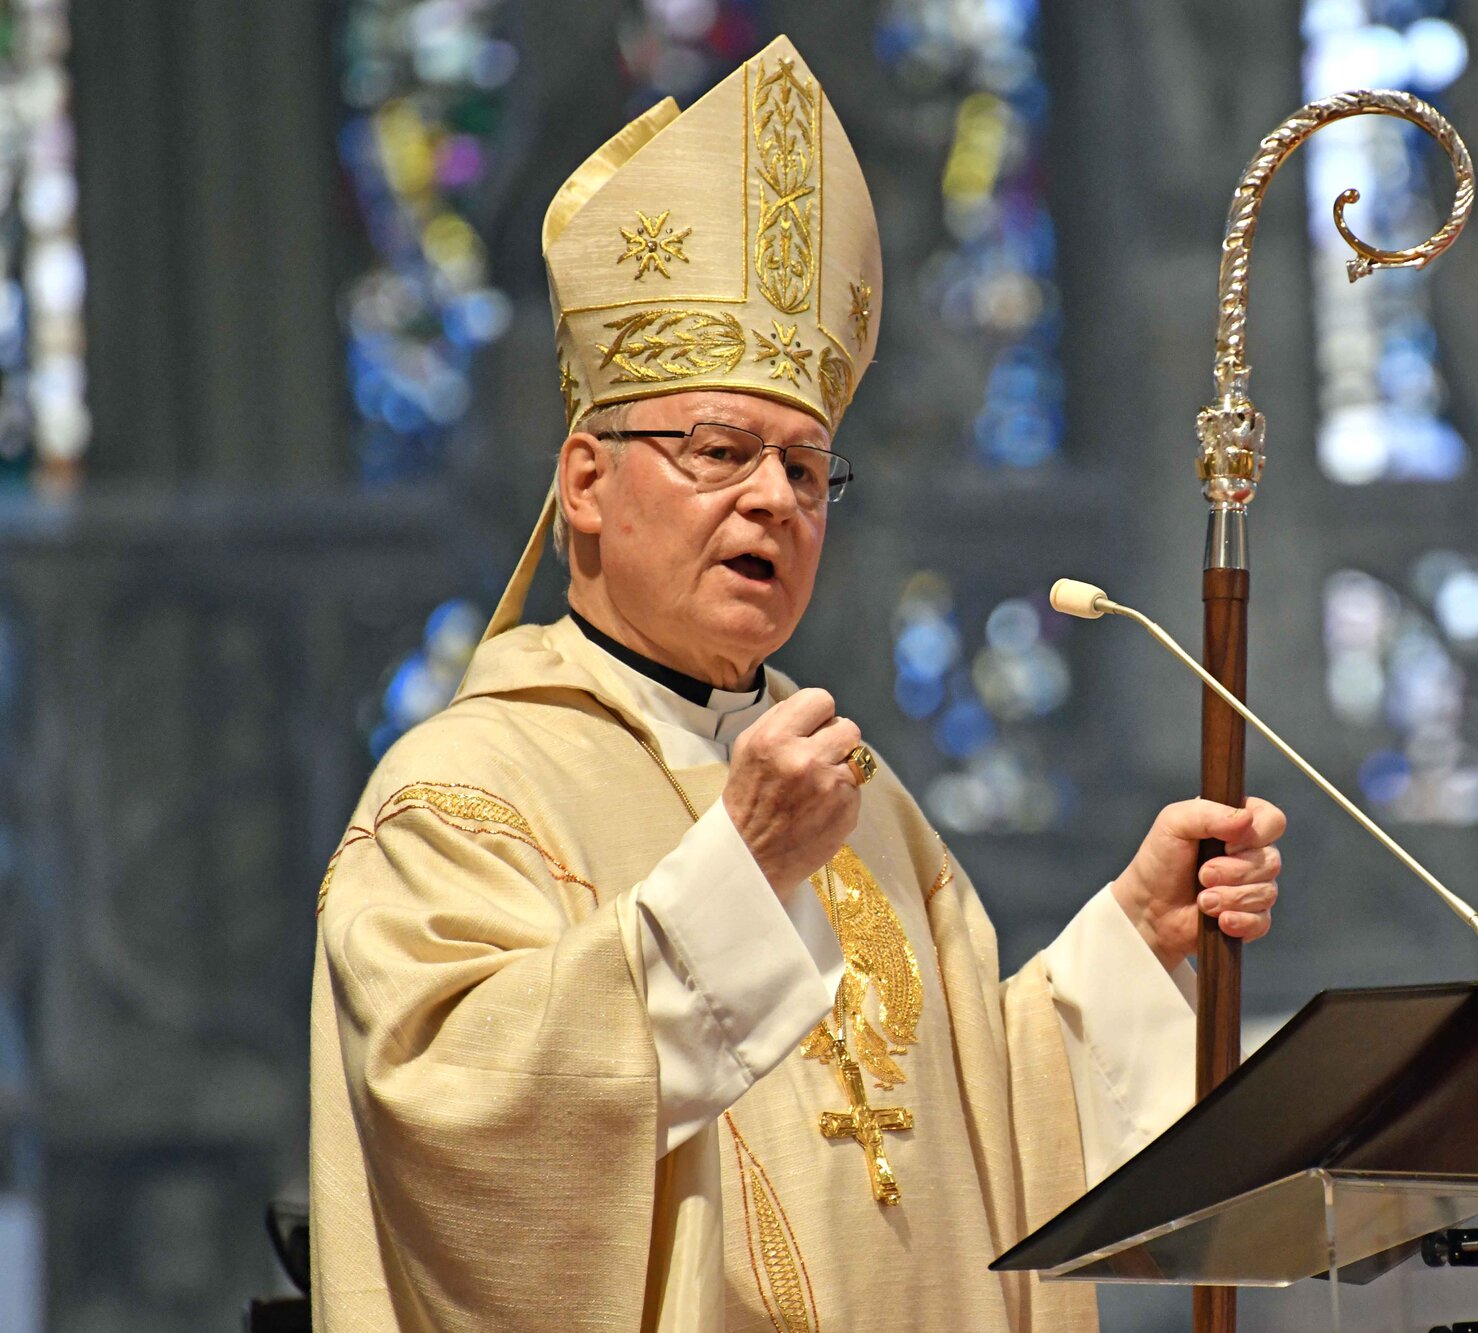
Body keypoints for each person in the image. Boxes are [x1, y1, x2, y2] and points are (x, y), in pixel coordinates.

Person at [308, 36, 1286, 1333]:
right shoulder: (465, 793)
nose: (775, 495)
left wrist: (1133, 944)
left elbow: (965, 1132)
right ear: (586, 483)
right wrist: (738, 871)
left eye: (809, 469)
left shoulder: (856, 796)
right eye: (721, 450)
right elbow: (458, 1124)